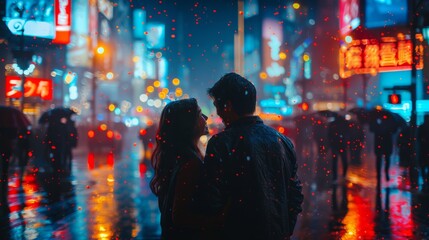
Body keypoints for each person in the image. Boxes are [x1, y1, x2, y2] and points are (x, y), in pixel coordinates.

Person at [202, 72, 303, 239]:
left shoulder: (221, 143)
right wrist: (284, 228)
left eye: (217, 105)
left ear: (227, 105)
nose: (218, 112)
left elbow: (212, 199)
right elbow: (295, 193)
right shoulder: (282, 140)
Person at [150, 98, 224, 239]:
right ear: (188, 124)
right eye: (199, 114)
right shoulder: (190, 164)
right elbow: (180, 217)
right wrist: (220, 219)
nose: (206, 117)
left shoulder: (178, 158)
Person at [418, 115, 429, 191]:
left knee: (423, 165)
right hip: (424, 149)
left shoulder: (421, 127)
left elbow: (418, 137)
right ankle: (426, 179)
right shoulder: (422, 127)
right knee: (425, 165)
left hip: (423, 149)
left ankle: (425, 179)